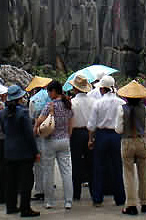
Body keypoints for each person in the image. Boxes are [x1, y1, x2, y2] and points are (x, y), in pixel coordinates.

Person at [1, 84, 41, 218]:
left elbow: (4, 130)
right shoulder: (23, 113)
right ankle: (25, 208)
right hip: (24, 152)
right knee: (26, 181)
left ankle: (11, 206)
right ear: (20, 97)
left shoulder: (3, 112)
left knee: (10, 180)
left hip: (9, 151)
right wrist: (35, 151)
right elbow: (29, 135)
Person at [87, 75, 126, 207]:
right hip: (116, 135)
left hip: (101, 135)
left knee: (98, 167)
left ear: (102, 89)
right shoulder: (121, 103)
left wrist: (91, 139)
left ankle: (97, 198)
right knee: (117, 166)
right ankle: (120, 198)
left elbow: (91, 125)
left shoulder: (97, 103)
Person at [115, 80, 146, 215]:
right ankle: (145, 203)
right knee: (143, 173)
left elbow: (118, 129)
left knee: (128, 174)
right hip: (141, 141)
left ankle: (131, 204)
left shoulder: (121, 109)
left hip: (127, 141)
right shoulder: (145, 109)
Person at [35, 80, 74, 210]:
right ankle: (68, 201)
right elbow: (70, 124)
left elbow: (40, 120)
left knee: (48, 172)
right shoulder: (68, 104)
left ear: (53, 91)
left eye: (49, 91)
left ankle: (49, 201)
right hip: (64, 140)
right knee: (67, 172)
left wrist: (35, 129)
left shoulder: (49, 106)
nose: (48, 94)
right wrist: (67, 136)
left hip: (50, 141)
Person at [69, 75, 95, 201]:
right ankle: (93, 192)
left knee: (76, 163)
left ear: (75, 89)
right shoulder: (93, 102)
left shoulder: (72, 102)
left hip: (76, 134)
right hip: (90, 133)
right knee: (91, 163)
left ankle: (76, 193)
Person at [26, 76, 52, 201]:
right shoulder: (51, 98)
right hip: (51, 132)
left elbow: (31, 118)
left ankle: (40, 190)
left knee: (38, 163)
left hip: (38, 133)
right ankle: (49, 187)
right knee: (49, 162)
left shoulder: (33, 100)